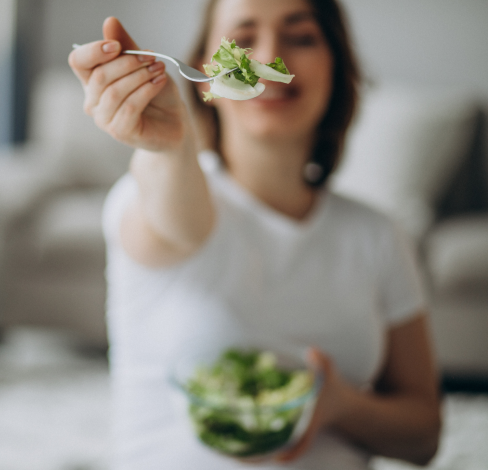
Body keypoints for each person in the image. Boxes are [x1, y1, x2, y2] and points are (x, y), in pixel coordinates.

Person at [68, 1, 441, 469]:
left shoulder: (379, 236)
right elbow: (180, 219)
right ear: (205, 71)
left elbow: (424, 435)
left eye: (301, 37)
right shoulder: (151, 194)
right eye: (243, 39)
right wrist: (169, 150)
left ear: (337, 65)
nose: (267, 56)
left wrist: (341, 406)